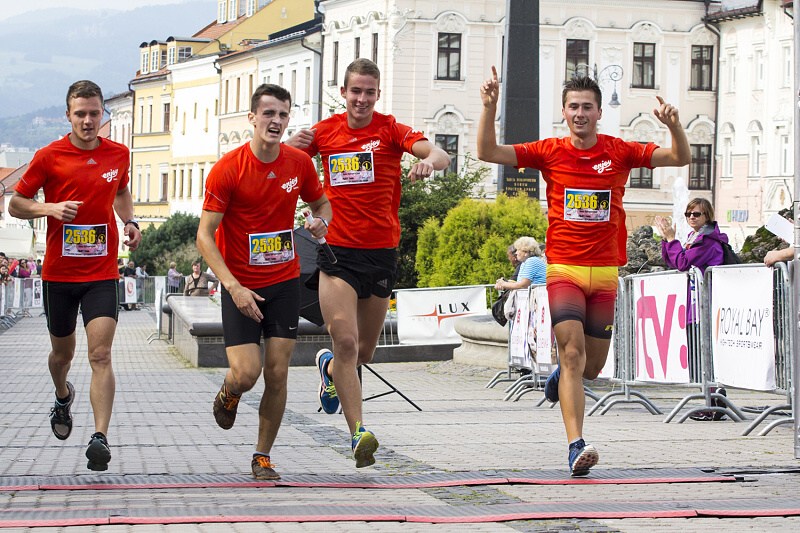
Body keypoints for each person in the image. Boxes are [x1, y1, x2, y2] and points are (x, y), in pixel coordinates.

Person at [477, 67, 690, 476]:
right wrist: (489, 107)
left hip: (605, 273)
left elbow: (679, 158)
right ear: (563, 112)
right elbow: (488, 152)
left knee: (590, 367)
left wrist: (674, 126)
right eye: (573, 106)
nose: (580, 113)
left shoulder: (619, 151)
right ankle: (576, 445)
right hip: (564, 270)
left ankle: (562, 375)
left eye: (587, 107)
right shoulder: (549, 151)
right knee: (572, 353)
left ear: (598, 113)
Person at [286, 58, 450, 468]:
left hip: (380, 253)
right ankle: (358, 433)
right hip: (336, 251)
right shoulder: (324, 132)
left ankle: (328, 369)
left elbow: (440, 153)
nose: (362, 99)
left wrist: (428, 162)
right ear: (343, 92)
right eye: (355, 91)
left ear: (378, 94)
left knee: (365, 351)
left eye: (369, 92)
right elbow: (279, 162)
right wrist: (291, 142)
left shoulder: (390, 130)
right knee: (345, 341)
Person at [196, 83, 331, 481]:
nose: (276, 121)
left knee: (277, 372)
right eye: (269, 113)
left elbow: (321, 203)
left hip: (284, 281)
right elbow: (204, 236)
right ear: (252, 118)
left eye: (283, 115)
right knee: (247, 373)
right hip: (240, 285)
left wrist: (320, 221)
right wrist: (233, 286)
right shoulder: (228, 168)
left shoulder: (298, 163)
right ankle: (230, 391)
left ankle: (262, 456)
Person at [8, 79, 141, 471]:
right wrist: (49, 209)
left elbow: (121, 191)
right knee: (62, 356)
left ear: (102, 115)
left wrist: (130, 221)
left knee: (101, 354)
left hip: (101, 273)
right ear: (68, 115)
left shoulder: (118, 154)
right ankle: (63, 395)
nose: (87, 121)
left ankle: (100, 437)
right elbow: (16, 203)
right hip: (59, 276)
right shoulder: (49, 156)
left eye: (94, 113)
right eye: (80, 114)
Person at [655, 198, 727, 381]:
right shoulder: (694, 237)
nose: (691, 217)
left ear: (707, 216)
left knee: (703, 354)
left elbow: (682, 262)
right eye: (688, 214)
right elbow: (674, 262)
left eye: (696, 214)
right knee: (695, 354)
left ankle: (713, 394)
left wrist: (671, 239)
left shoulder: (708, 241)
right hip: (694, 306)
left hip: (704, 306)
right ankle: (706, 393)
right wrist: (666, 240)